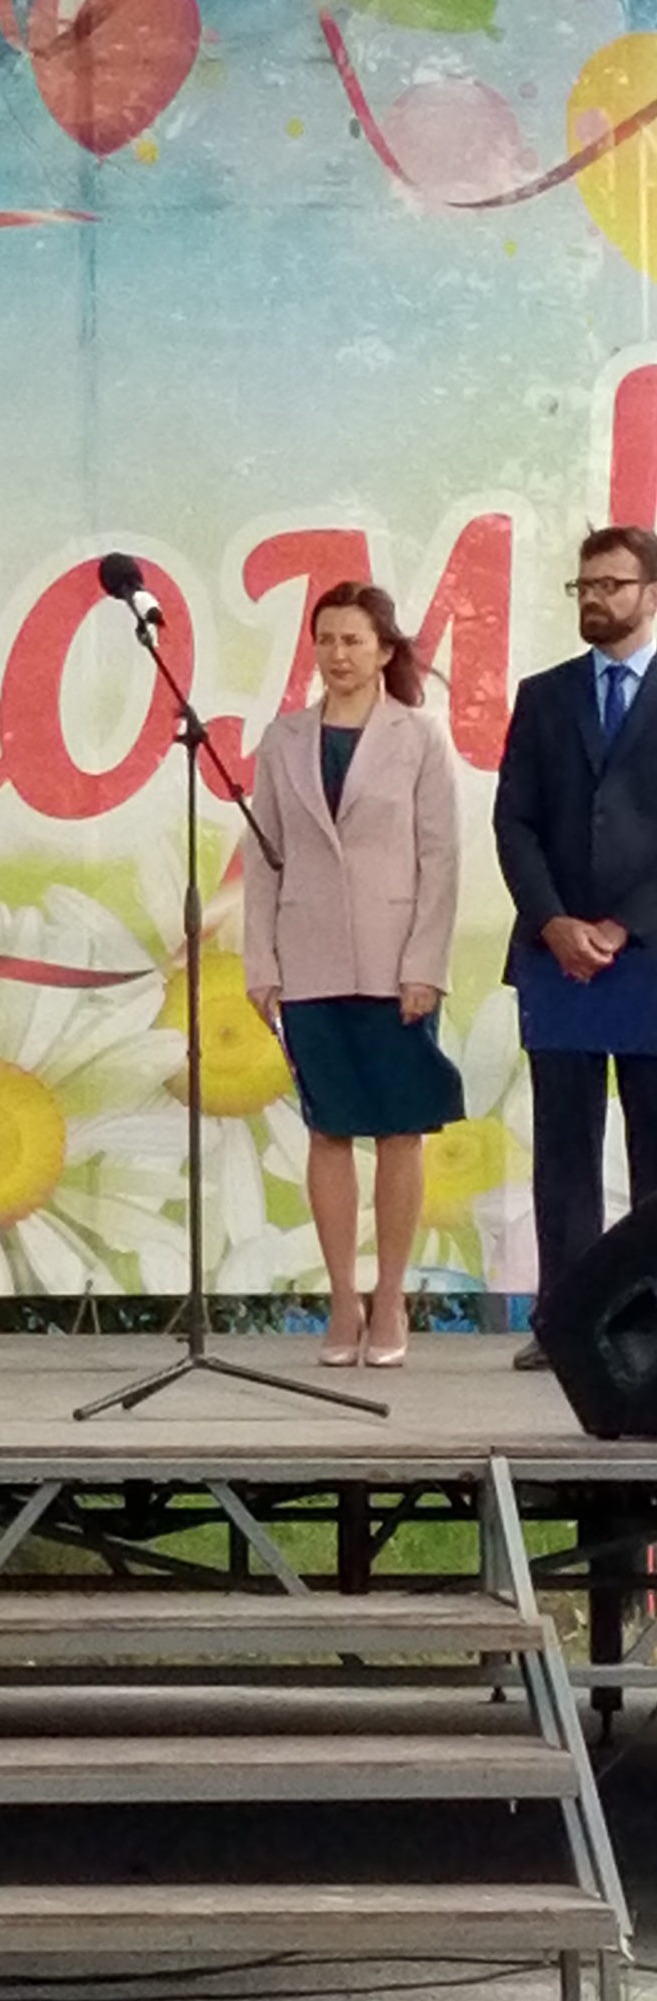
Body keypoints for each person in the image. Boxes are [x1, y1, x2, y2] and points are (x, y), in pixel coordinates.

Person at [244, 583, 463, 1367]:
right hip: (308, 959)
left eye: (353, 641)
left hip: (395, 960)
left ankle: (391, 1296)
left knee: (400, 1131)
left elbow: (441, 858)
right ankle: (343, 1299)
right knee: (327, 1128)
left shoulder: (420, 736)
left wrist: (424, 965)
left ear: (384, 650)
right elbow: (263, 859)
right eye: (327, 640)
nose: (338, 655)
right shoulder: (284, 739)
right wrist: (262, 963)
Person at [494, 525, 657, 1370]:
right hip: (556, 957)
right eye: (584, 586)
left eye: (612, 585)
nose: (594, 598)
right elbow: (514, 821)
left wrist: (624, 923)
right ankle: (564, 1325)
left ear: (650, 593)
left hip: (648, 952)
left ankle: (645, 1324)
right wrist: (554, 922)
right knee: (563, 1152)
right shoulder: (545, 695)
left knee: (653, 1148)